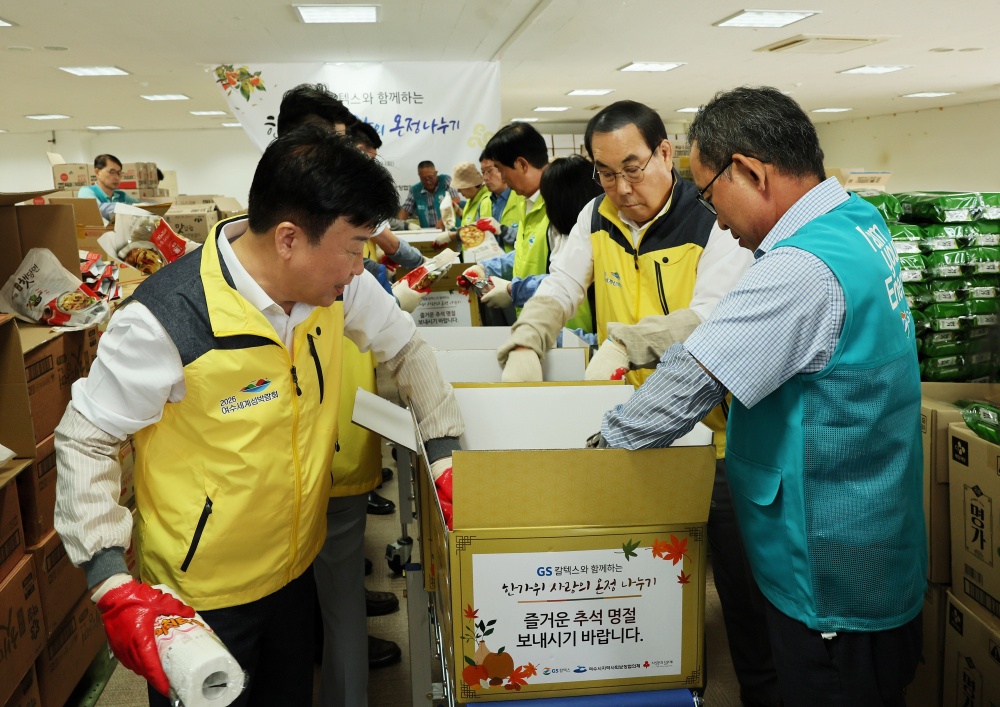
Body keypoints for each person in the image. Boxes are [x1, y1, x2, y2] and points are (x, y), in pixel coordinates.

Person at [53, 125, 464, 707]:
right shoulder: (167, 319)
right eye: (353, 248)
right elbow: (86, 439)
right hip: (202, 598)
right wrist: (111, 581)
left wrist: (445, 458)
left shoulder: (339, 291)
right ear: (289, 238)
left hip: (295, 569)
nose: (360, 267)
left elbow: (407, 348)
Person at [594, 86, 925, 707]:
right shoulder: (855, 221)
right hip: (874, 532)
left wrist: (597, 449)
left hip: (828, 566)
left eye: (710, 194)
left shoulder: (799, 268)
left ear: (749, 171)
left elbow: (693, 378)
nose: (716, 219)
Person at [494, 101, 775, 705]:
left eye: (632, 169)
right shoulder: (597, 215)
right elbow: (562, 286)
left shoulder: (713, 218)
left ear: (665, 154)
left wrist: (628, 341)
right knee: (637, 577)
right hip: (631, 433)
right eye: (605, 173)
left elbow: (712, 316)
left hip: (715, 438)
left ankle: (758, 691)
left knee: (741, 588)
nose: (621, 189)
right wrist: (526, 340)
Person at [470, 123, 595, 336]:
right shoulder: (524, 201)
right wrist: (487, 267)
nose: (502, 178)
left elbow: (570, 275)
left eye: (500, 169)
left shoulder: (564, 202)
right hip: (535, 320)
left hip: (569, 328)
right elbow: (526, 253)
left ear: (521, 164)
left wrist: (513, 290)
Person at [397, 160, 461, 229]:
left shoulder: (445, 180)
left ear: (436, 173)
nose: (428, 181)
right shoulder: (415, 190)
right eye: (423, 178)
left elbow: (456, 200)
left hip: (452, 230)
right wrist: (400, 226)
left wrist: (443, 219)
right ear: (419, 176)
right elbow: (405, 209)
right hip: (428, 232)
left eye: (430, 177)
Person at [78, 154, 138, 220]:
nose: (116, 177)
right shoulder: (86, 191)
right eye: (112, 172)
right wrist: (128, 207)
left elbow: (141, 207)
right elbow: (97, 210)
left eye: (119, 173)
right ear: (97, 172)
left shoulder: (121, 195)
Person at [453, 161, 490, 228]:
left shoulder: (486, 201)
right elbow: (469, 221)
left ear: (471, 185)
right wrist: (458, 211)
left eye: (461, 186)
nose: (458, 190)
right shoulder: (471, 199)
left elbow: (482, 231)